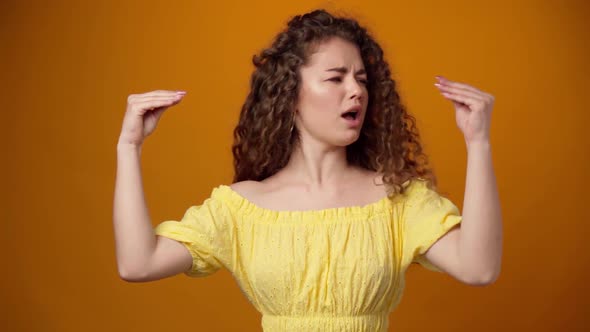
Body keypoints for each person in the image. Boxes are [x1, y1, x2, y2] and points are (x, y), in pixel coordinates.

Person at [113, 9, 502, 332]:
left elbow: (479, 268)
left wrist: (478, 143)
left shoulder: (396, 198)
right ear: (291, 96)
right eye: (336, 78)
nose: (357, 91)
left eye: (362, 79)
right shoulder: (242, 208)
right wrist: (128, 147)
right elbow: (137, 263)